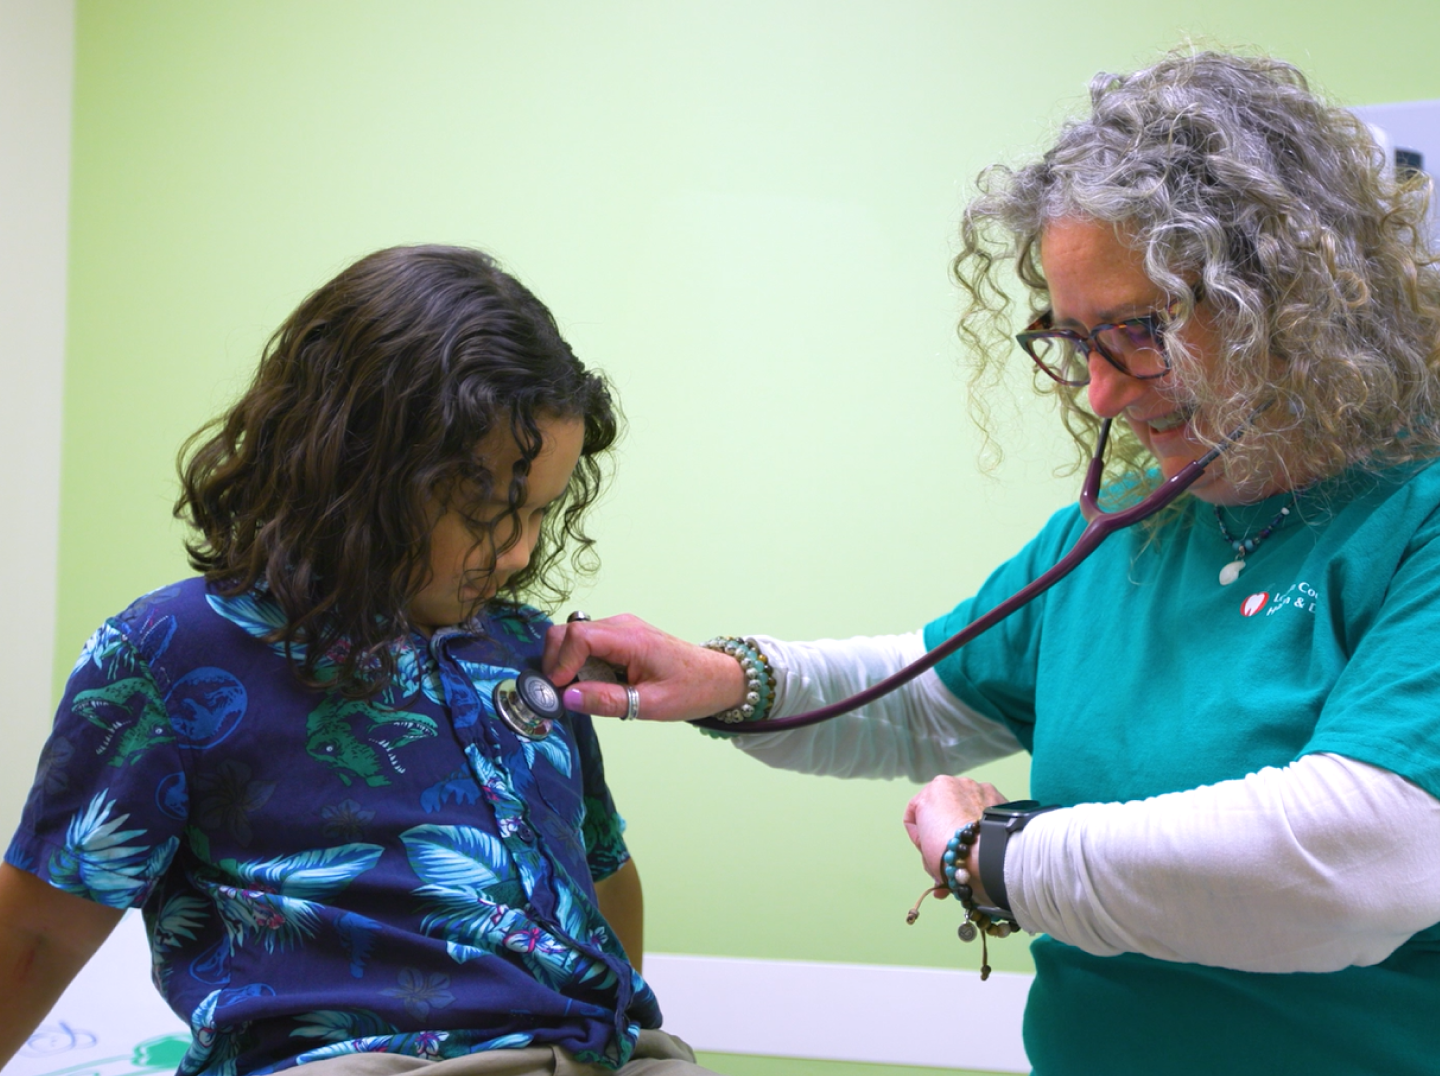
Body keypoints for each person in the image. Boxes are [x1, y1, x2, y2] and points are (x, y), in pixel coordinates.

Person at [542, 52, 1440, 1075]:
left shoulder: (1416, 521)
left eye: (1139, 331)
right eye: (1075, 340)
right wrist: (727, 681)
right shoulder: (1119, 534)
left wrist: (996, 859)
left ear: (1284, 299)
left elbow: (1353, 866)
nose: (1100, 394)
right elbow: (926, 694)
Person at [0, 246, 714, 1076]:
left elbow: (602, 878)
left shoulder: (527, 654)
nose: (520, 552)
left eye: (541, 512)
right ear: (358, 466)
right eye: (489, 509)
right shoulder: (173, 652)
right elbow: (36, 931)